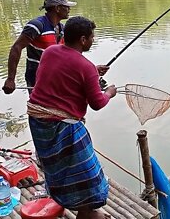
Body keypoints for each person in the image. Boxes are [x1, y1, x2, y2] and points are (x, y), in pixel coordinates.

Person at [27, 16, 117, 219]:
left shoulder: (50, 52)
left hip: (38, 123)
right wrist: (109, 92)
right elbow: (97, 103)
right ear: (83, 39)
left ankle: (80, 205)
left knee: (60, 168)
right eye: (92, 37)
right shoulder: (84, 67)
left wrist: (93, 71)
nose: (93, 41)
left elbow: (64, 68)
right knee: (87, 177)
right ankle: (87, 207)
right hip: (62, 127)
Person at [2, 0, 108, 94]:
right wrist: (11, 79)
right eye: (66, 6)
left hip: (56, 77)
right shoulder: (37, 25)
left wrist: (91, 70)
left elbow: (68, 57)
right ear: (57, 8)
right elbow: (17, 47)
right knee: (40, 108)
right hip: (37, 78)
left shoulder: (62, 28)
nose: (69, 9)